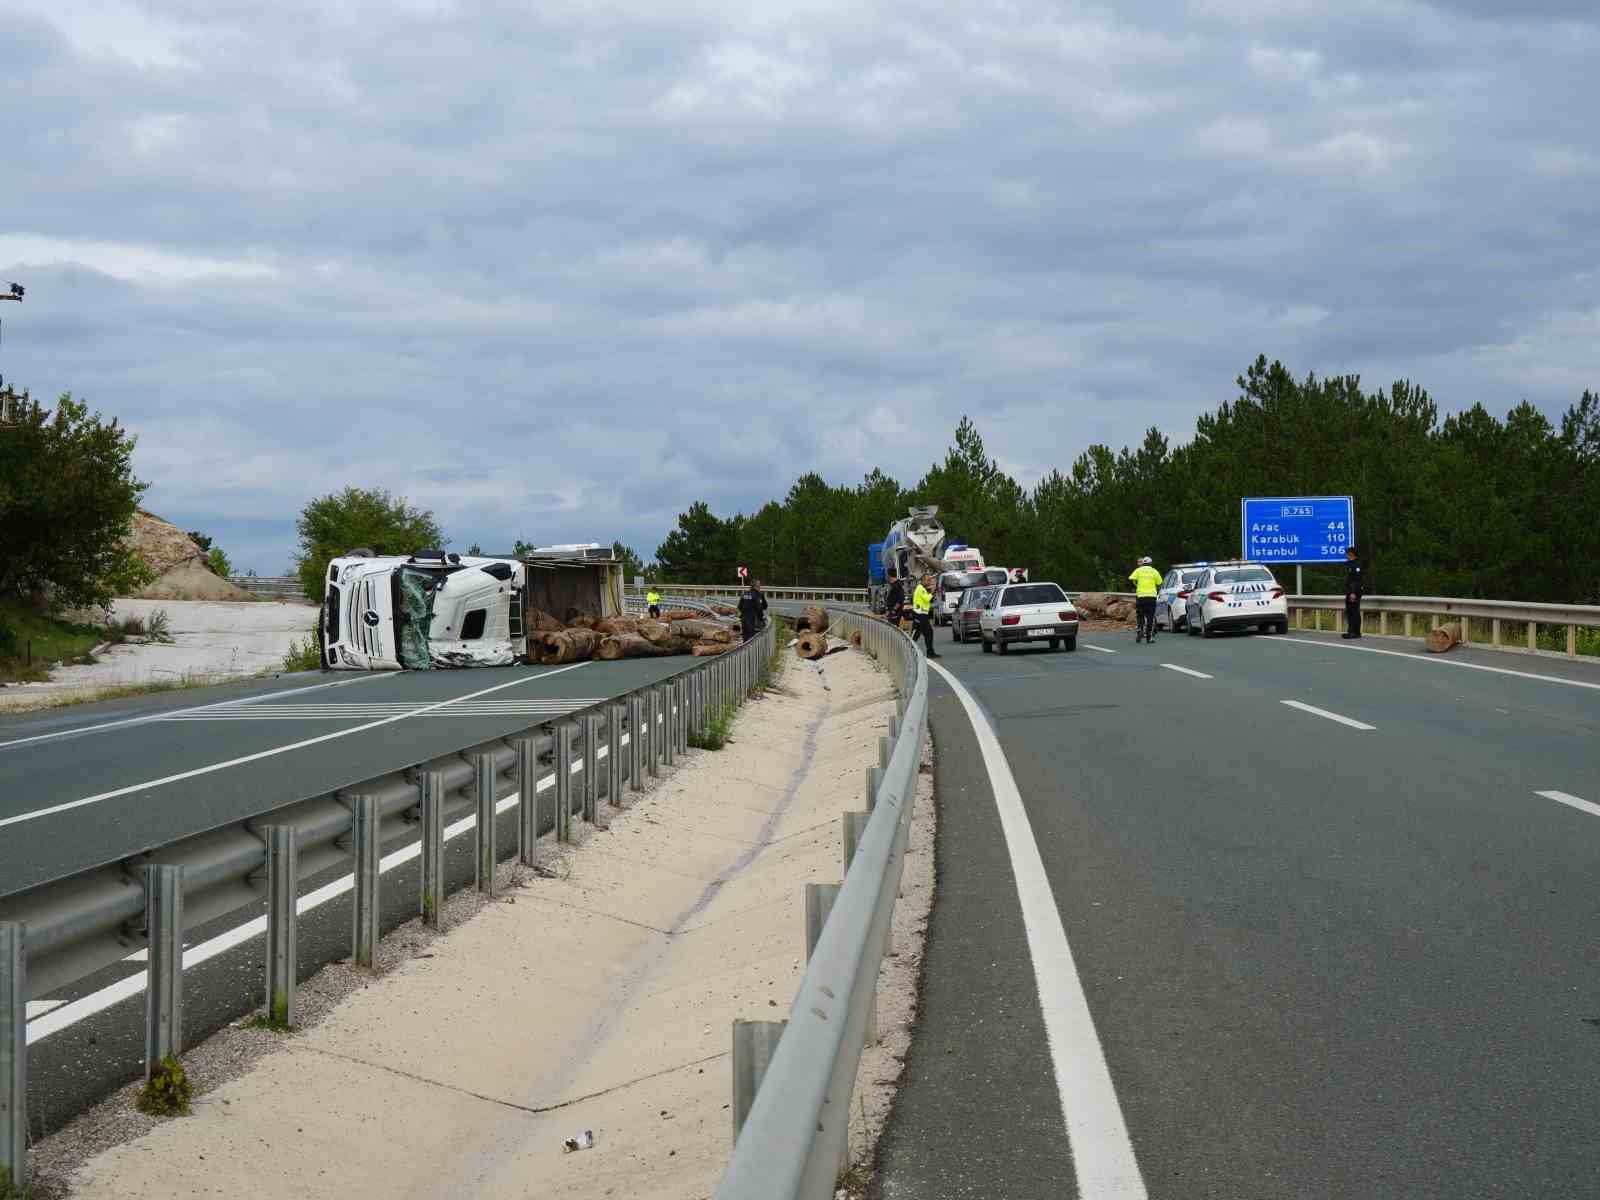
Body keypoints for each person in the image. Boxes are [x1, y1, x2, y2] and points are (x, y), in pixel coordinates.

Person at [1129, 556, 1163, 644]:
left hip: (1141, 597)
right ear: (1151, 563)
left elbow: (1132, 579)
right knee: (1150, 618)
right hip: (1151, 597)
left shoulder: (1138, 570)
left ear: (1143, 563)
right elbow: (1159, 583)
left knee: (1140, 615)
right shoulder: (1154, 571)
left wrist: (1136, 586)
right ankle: (1149, 638)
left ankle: (1140, 628)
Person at [911, 572, 939, 658]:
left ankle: (909, 649)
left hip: (922, 614)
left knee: (917, 634)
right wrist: (932, 591)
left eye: (930, 580)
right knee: (927, 632)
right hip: (919, 614)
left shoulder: (923, 588)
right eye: (928, 580)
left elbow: (929, 600)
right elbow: (927, 599)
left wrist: (931, 591)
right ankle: (929, 652)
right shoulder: (920, 588)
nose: (930, 582)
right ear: (923, 580)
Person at [1342, 547, 1364, 639]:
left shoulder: (1356, 564)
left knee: (1354, 611)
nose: (1346, 555)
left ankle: (1354, 632)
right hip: (1349, 591)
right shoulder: (1350, 564)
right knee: (1350, 611)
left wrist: (1353, 592)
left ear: (1351, 554)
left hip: (1354, 591)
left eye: (1347, 553)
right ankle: (1351, 631)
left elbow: (1357, 580)